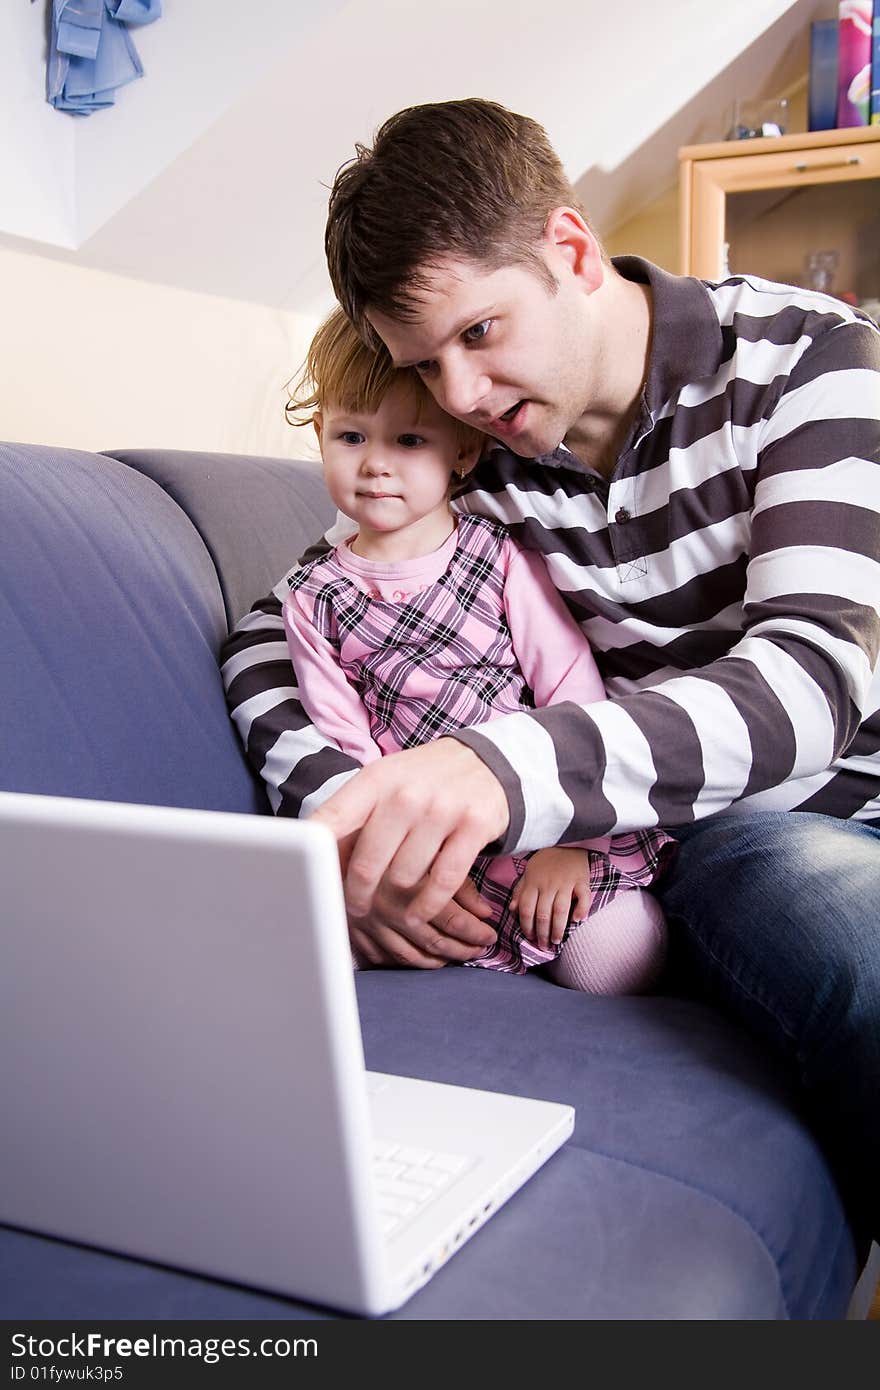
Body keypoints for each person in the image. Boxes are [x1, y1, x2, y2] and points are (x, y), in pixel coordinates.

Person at [221, 99, 880, 1243]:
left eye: (478, 334)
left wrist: (498, 766)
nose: (458, 395)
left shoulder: (810, 358)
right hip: (737, 828)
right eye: (421, 363)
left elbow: (814, 676)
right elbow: (269, 628)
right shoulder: (478, 458)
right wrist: (351, 823)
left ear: (570, 250)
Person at [280, 306, 672, 990]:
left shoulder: (498, 556)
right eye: (350, 436)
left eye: (407, 440)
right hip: (431, 838)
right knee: (309, 951)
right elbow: (346, 745)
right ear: (320, 436)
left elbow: (570, 689)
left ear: (462, 453)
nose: (374, 464)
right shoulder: (312, 596)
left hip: (545, 810)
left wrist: (572, 842)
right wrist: (390, 864)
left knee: (612, 960)